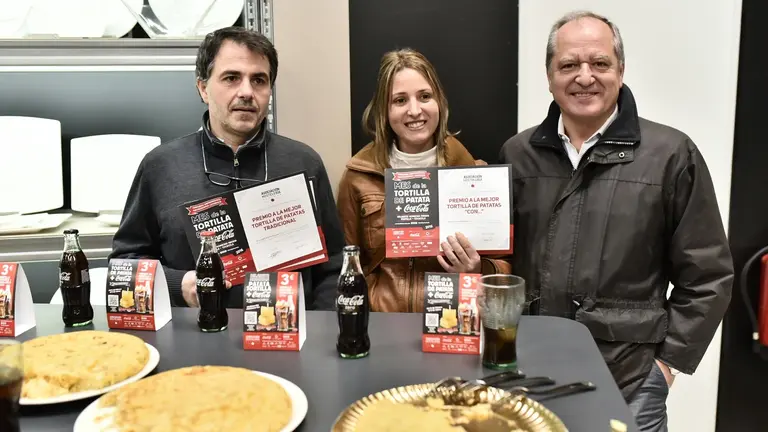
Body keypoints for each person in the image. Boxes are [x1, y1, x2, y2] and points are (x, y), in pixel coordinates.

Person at [498, 11, 733, 431]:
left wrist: (665, 369)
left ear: (620, 71)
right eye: (569, 65)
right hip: (529, 378)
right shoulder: (518, 156)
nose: (584, 77)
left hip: (630, 383)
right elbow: (502, 263)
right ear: (549, 76)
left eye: (599, 63)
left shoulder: (671, 156)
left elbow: (708, 276)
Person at [110, 27, 344, 310]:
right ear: (203, 88)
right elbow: (125, 264)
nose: (247, 92)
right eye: (231, 78)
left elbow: (333, 266)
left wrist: (320, 333)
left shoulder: (304, 163)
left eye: (259, 80)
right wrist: (178, 285)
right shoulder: (160, 166)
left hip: (285, 340)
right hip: (192, 340)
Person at [337, 49, 511, 312]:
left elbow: (504, 266)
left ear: (439, 102)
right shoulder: (358, 177)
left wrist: (476, 270)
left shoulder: (473, 175)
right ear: (384, 110)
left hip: (452, 323)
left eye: (425, 97)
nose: (415, 111)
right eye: (400, 100)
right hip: (383, 327)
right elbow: (345, 264)